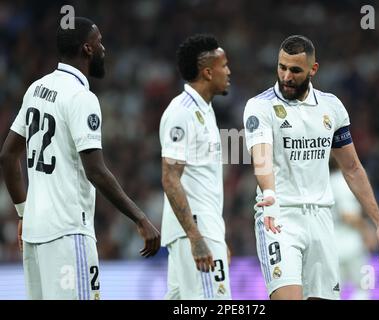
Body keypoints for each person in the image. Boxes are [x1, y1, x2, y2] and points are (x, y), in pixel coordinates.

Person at [0, 17, 160, 300]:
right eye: (99, 43)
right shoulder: (80, 97)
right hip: (68, 233)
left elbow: (7, 155)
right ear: (87, 49)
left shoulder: (36, 88)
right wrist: (140, 217)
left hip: (35, 234)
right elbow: (95, 171)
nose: (103, 49)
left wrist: (24, 213)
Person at [243, 35, 379, 300]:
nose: (286, 76)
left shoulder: (331, 107)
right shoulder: (260, 106)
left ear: (313, 69)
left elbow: (353, 168)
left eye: (295, 70)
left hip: (323, 220)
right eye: (281, 67)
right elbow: (262, 158)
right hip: (280, 217)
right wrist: (269, 197)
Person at [160, 34, 231, 299]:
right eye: (224, 65)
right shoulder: (183, 112)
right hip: (196, 228)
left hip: (203, 227)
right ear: (208, 72)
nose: (229, 71)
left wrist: (216, 237)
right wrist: (198, 236)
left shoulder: (205, 110)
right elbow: (169, 177)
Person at [330, 164, 376, 300]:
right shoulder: (342, 180)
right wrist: (366, 229)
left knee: (332, 292)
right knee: (365, 287)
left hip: (333, 245)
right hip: (350, 245)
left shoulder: (331, 179)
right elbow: (348, 215)